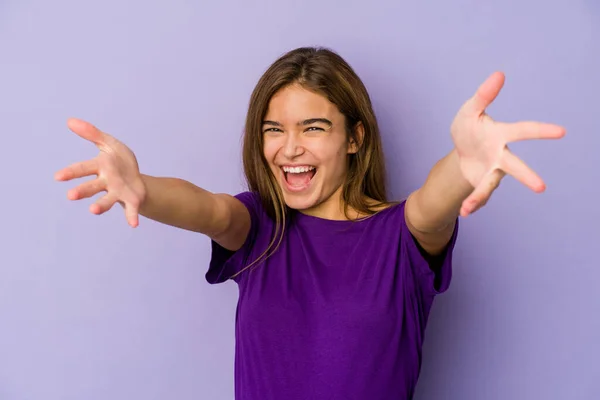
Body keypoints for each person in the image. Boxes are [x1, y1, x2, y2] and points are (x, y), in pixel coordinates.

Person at [55, 47, 565, 400]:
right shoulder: (258, 227)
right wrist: (142, 186)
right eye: (273, 129)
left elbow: (432, 204)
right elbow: (206, 209)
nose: (289, 147)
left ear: (354, 138)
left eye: (313, 128)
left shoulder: (399, 238)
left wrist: (465, 162)